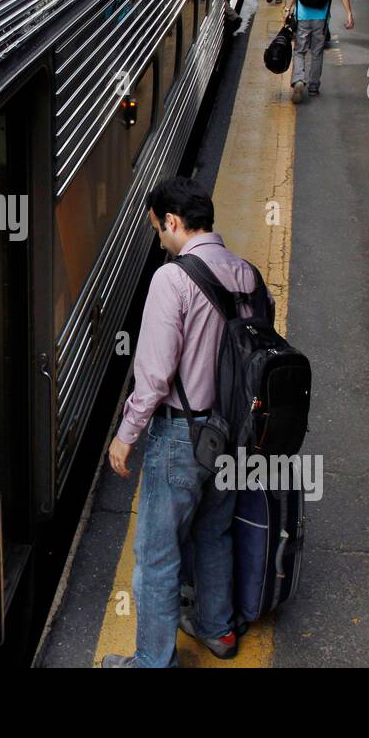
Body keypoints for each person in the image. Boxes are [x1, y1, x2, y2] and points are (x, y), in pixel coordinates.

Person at [101, 178, 271, 669]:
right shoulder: (250, 276)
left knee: (156, 558)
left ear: (172, 222)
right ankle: (219, 630)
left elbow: (154, 376)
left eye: (158, 229)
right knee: (213, 533)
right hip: (236, 434)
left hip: (182, 435)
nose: (159, 239)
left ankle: (153, 662)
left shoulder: (171, 279)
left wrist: (126, 435)